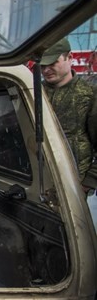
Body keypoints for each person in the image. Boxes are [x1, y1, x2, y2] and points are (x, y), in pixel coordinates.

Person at [41, 37, 97, 194]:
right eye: (43, 65)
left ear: (70, 58)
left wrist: (88, 183)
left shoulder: (89, 94)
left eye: (52, 63)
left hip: (74, 186)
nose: (46, 70)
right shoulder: (34, 93)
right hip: (37, 182)